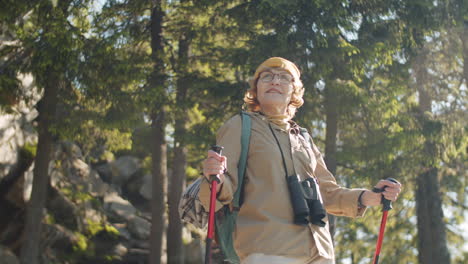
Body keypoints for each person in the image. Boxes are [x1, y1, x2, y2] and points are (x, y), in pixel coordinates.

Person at [198, 57, 402, 264]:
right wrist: (213, 175)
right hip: (268, 249)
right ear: (256, 89)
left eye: (284, 78)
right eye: (266, 76)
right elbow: (222, 187)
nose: (275, 81)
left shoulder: (303, 137)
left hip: (319, 252)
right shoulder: (240, 126)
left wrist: (369, 197)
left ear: (294, 92)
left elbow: (326, 192)